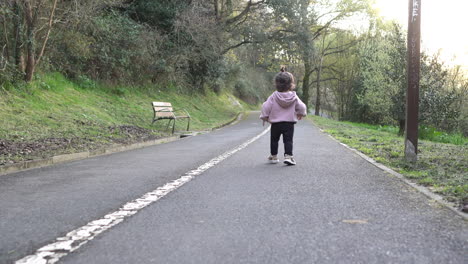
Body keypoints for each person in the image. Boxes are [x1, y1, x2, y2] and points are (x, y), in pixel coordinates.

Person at [260, 67, 307, 165]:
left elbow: (266, 106)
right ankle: (288, 156)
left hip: (276, 124)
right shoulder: (294, 96)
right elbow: (302, 106)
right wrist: (300, 113)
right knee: (288, 140)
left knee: (274, 140)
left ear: (276, 84)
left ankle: (273, 156)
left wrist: (265, 117)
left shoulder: (274, 95)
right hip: (289, 124)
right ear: (291, 84)